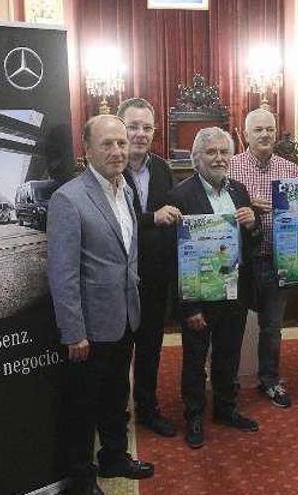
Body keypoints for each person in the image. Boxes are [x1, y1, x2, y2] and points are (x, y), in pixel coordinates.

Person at [47, 115, 155, 495]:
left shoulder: (126, 190)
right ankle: (81, 478)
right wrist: (73, 331)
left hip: (125, 316)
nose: (117, 151)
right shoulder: (68, 199)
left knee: (115, 396)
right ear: (87, 149)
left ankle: (114, 456)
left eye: (122, 143)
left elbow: (128, 254)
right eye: (107, 144)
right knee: (83, 407)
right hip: (89, 329)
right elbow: (63, 274)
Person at [168, 127, 261, 449]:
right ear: (196, 160)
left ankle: (225, 409)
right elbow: (174, 257)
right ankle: (194, 415)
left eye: (224, 152)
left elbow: (251, 243)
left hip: (234, 290)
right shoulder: (180, 195)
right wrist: (188, 307)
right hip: (198, 294)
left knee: (228, 354)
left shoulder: (239, 191)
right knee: (195, 359)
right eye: (211, 152)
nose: (219, 158)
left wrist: (253, 224)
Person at [228, 108, 298, 408]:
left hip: (277, 259)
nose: (265, 135)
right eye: (258, 130)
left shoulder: (291, 170)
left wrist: (281, 211)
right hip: (239, 262)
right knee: (231, 327)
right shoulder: (229, 167)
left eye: (269, 129)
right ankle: (227, 382)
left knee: (272, 327)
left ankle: (269, 380)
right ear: (245, 135)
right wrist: (246, 212)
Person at [117, 98, 181, 437]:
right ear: (119, 127)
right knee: (118, 351)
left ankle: (147, 408)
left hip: (155, 277)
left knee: (151, 347)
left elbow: (171, 215)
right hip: (118, 279)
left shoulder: (162, 168)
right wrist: (151, 219)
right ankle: (115, 415)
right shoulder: (108, 167)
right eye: (133, 126)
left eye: (146, 128)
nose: (140, 134)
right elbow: (113, 220)